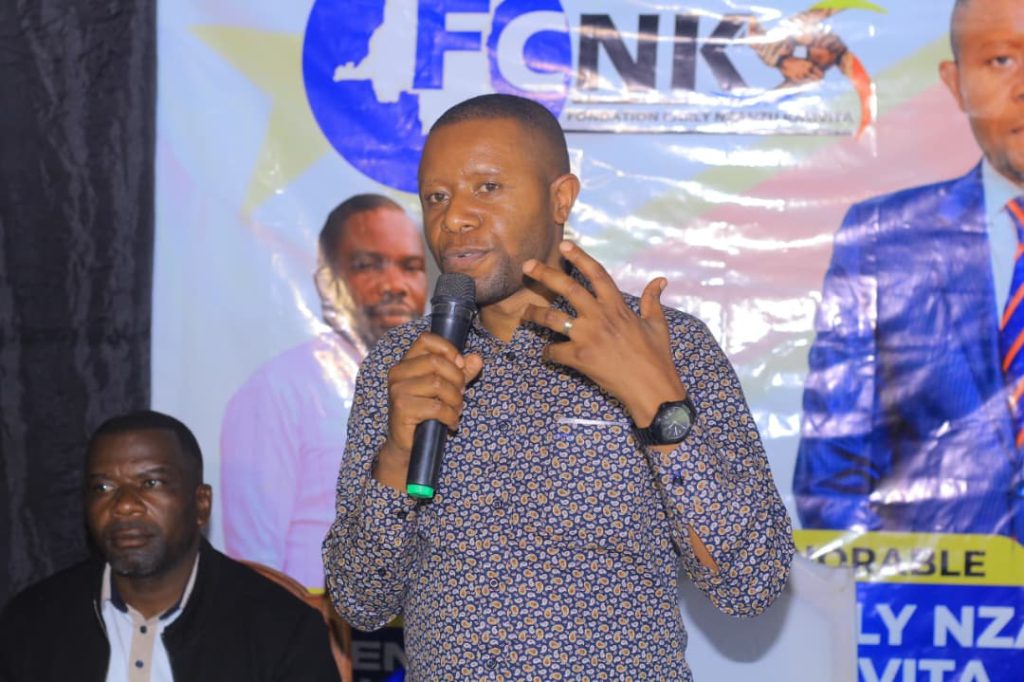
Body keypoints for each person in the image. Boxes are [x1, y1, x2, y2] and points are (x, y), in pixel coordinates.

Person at [323, 94, 793, 680]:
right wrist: (396, 456)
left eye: (487, 187)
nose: (455, 217)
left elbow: (751, 584)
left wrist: (657, 405)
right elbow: (360, 603)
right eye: (436, 197)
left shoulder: (664, 344)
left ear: (560, 199)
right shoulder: (403, 363)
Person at [794, 0, 1024, 538]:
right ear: (955, 83)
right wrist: (890, 581)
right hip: (935, 586)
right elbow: (834, 470)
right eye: (1002, 60)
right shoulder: (884, 238)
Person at [0, 410, 340, 681]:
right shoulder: (33, 621)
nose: (124, 505)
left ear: (201, 504)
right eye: (103, 488)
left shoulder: (282, 629)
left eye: (151, 483)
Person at [220, 194, 427, 587]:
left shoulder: (449, 379)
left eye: (411, 267)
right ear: (327, 282)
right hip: (315, 619)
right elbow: (255, 564)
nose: (395, 285)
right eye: (368, 265)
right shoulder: (277, 390)